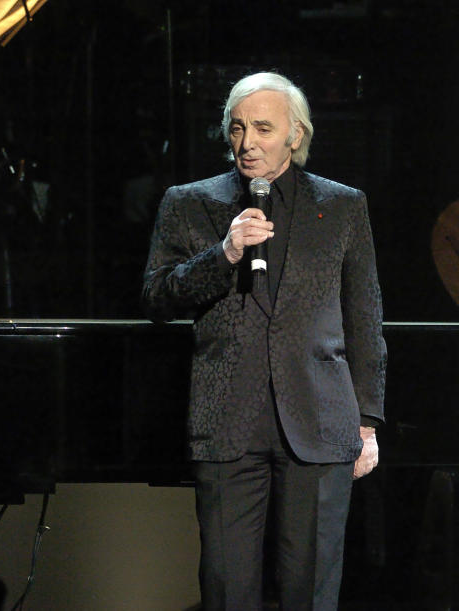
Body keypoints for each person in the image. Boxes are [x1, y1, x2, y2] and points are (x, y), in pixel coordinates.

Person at [142, 72, 386, 610]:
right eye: (237, 129)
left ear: (295, 135)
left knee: (312, 589)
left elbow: (364, 316)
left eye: (263, 128)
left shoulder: (343, 206)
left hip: (320, 421)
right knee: (228, 590)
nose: (247, 142)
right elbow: (157, 296)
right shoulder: (188, 203)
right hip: (228, 421)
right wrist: (223, 254)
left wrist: (366, 421)